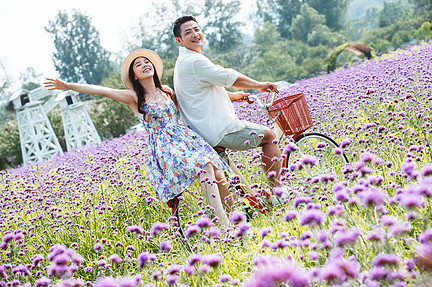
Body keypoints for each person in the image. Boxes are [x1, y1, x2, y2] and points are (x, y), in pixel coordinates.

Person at [44, 49, 233, 228]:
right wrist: (67, 86)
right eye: (138, 65)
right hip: (164, 146)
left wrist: (233, 96)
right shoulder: (134, 97)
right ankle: (223, 227)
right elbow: (100, 90)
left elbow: (195, 99)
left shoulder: (167, 91)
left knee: (217, 173)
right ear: (134, 75)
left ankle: (236, 221)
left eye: (147, 62)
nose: (145, 65)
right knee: (206, 166)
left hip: (185, 138)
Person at [172, 15, 287, 203]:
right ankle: (278, 195)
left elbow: (202, 90)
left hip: (201, 132)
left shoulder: (185, 61)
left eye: (196, 29)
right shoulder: (194, 61)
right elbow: (227, 76)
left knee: (226, 181)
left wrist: (233, 96)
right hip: (217, 130)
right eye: (188, 32)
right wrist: (258, 85)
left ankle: (241, 213)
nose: (195, 34)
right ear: (179, 40)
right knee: (270, 137)